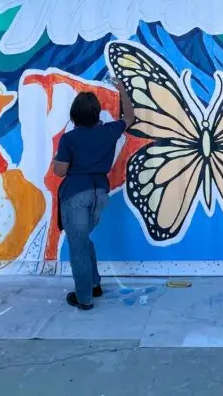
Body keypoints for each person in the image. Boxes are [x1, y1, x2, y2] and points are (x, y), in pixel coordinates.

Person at [52, 78, 135, 311]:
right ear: (97, 113)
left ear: (74, 116)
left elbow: (60, 171)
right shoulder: (109, 131)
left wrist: (56, 160)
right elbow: (129, 117)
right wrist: (122, 89)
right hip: (100, 193)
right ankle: (95, 284)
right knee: (82, 239)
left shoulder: (69, 139)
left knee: (77, 246)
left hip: (76, 194)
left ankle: (84, 298)